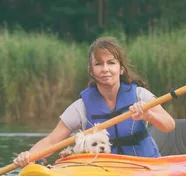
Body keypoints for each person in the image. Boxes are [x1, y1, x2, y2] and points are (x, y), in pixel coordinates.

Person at [13, 37, 176, 166]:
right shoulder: (81, 108)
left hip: (145, 167)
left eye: (111, 63)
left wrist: (149, 116)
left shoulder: (141, 96)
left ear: (121, 69)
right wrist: (30, 156)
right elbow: (52, 141)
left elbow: (169, 125)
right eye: (99, 64)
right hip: (102, 173)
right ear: (91, 71)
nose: (105, 69)